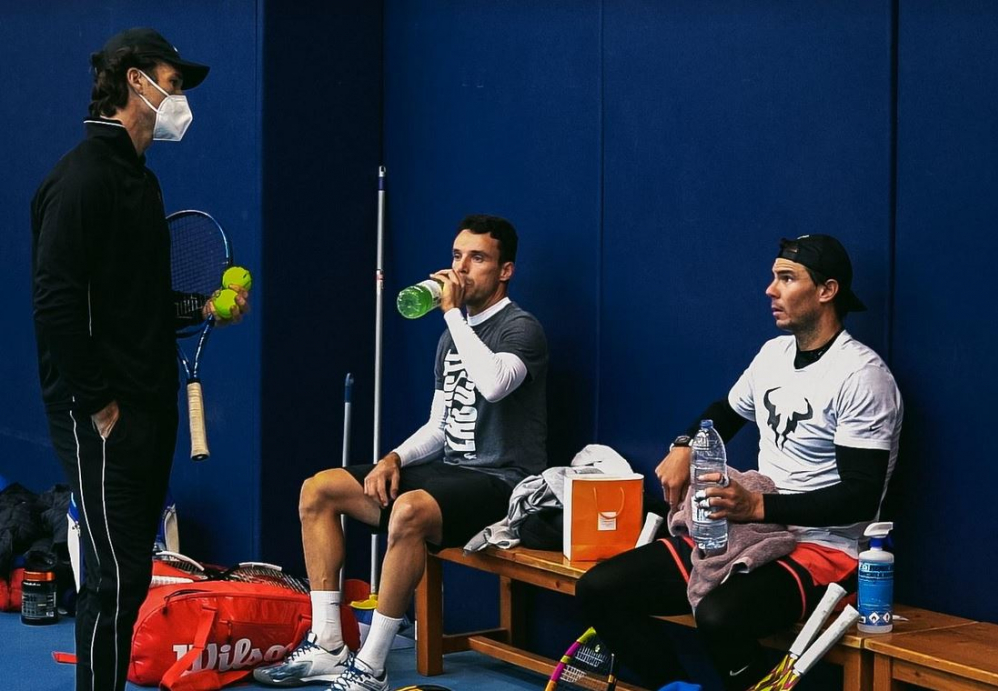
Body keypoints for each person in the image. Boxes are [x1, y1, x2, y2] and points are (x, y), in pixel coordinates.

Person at [576, 234, 902, 690]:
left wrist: (757, 508)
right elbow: (724, 413)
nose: (770, 290)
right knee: (599, 589)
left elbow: (860, 498)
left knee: (719, 616)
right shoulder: (774, 354)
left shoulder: (862, 376)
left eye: (787, 279)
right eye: (773, 277)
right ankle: (675, 687)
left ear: (827, 291)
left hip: (827, 548)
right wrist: (684, 445)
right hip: (753, 530)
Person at [31, 28, 248, 691]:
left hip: (150, 408)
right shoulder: (78, 183)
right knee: (113, 577)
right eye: (173, 83)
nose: (179, 99)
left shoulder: (143, 184)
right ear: (136, 81)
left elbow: (142, 299)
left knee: (129, 572)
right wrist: (100, 402)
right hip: (101, 415)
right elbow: (57, 306)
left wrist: (202, 309)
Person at [254, 214, 548, 691]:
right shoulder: (449, 339)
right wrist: (392, 458)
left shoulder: (522, 329)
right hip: (450, 474)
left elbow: (494, 386)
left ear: (505, 270)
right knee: (319, 490)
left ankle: (371, 667)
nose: (462, 269)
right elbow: (439, 427)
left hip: (504, 485)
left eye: (478, 258)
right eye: (457, 256)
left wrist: (453, 314)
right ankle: (329, 644)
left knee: (408, 511)